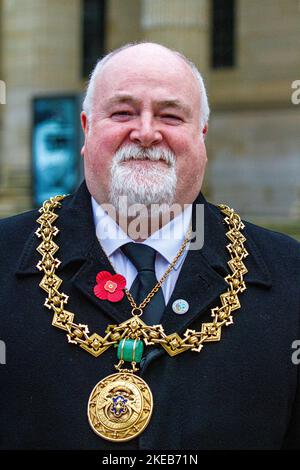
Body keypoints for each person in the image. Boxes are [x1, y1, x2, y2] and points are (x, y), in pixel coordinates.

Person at [0, 42, 299, 450]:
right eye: (122, 112)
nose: (145, 132)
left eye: (170, 115)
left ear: (202, 136)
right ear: (86, 129)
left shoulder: (290, 276)